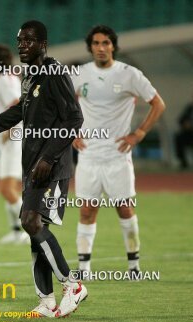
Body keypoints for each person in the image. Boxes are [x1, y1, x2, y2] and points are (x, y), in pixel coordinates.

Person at [0, 20, 86, 318]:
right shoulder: (30, 74)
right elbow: (17, 112)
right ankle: (47, 301)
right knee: (35, 226)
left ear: (43, 44)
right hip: (32, 165)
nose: (22, 45)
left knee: (31, 221)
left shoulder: (54, 71)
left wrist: (48, 158)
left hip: (51, 166)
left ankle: (72, 285)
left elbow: (74, 119)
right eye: (20, 40)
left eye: (29, 40)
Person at [71, 25, 165, 277]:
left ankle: (134, 266)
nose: (101, 48)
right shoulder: (79, 74)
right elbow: (63, 106)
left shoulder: (129, 74)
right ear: (90, 47)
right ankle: (84, 268)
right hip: (88, 155)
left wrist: (139, 133)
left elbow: (158, 103)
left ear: (113, 46)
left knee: (124, 208)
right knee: (87, 210)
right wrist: (70, 133)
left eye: (106, 43)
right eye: (96, 43)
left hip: (117, 156)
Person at [0, 44, 30, 245]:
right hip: (10, 140)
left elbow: (18, 105)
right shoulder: (10, 78)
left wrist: (9, 131)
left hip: (12, 140)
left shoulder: (4, 80)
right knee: (7, 189)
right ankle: (16, 230)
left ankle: (31, 228)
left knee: (7, 189)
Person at [175, 93, 193, 169]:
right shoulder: (190, 108)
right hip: (189, 134)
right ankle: (183, 162)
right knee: (179, 138)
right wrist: (185, 124)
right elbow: (181, 120)